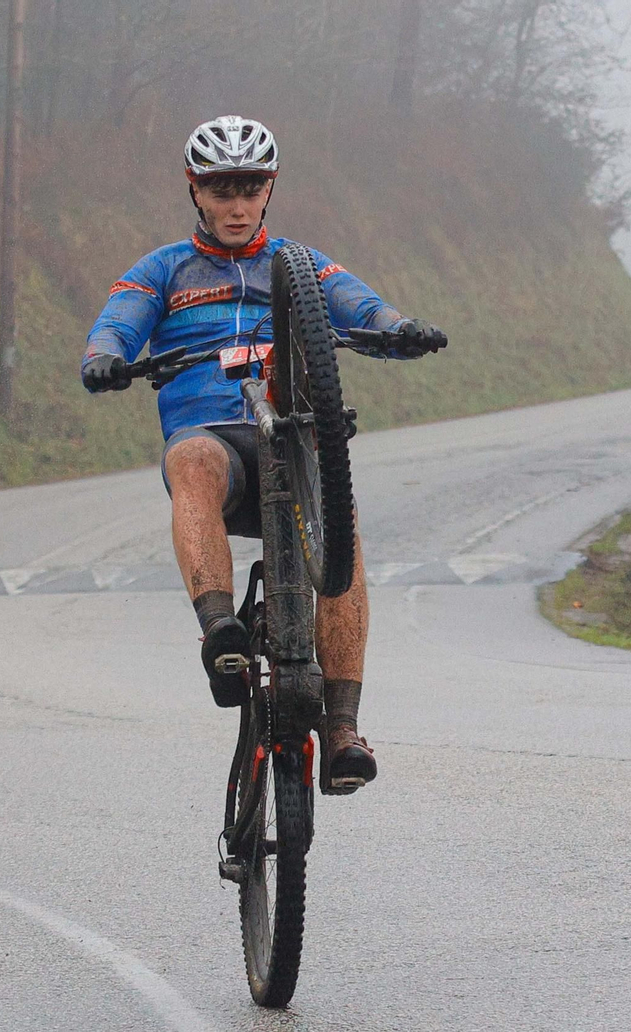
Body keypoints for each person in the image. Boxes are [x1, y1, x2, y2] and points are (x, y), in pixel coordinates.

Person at [81, 115, 447, 793]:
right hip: (213, 440)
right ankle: (220, 631)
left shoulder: (300, 265)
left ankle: (343, 728)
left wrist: (400, 329)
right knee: (192, 461)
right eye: (221, 190)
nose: (237, 206)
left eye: (250, 189)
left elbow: (361, 305)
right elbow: (117, 325)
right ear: (195, 190)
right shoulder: (162, 270)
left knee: (344, 528)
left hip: (294, 440)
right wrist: (105, 357)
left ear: (269, 189)